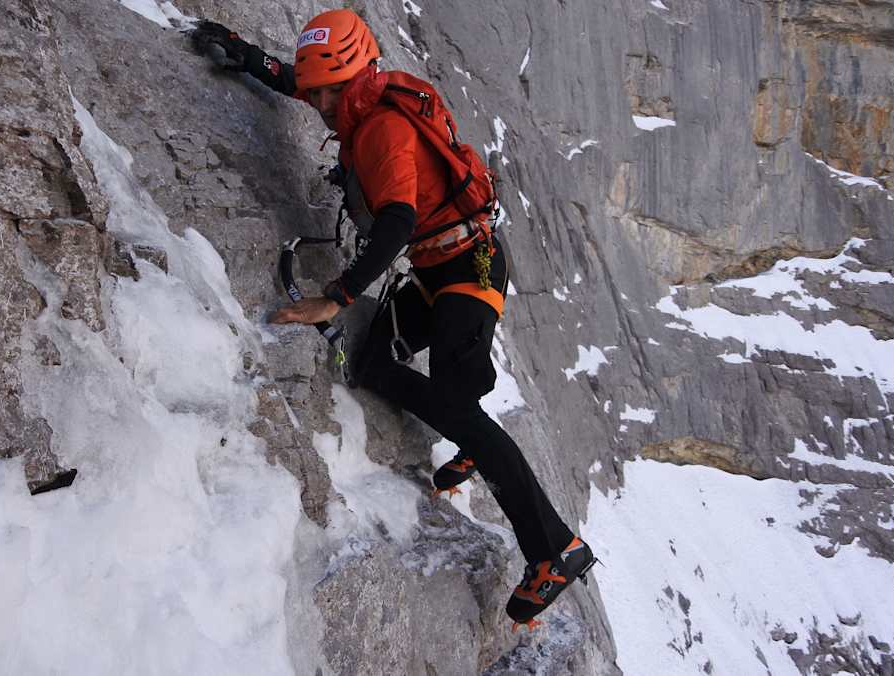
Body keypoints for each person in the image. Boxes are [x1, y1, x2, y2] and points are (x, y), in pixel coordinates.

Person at [190, 9, 595, 630]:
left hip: (470, 267)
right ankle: (469, 433)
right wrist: (247, 55)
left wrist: (337, 297)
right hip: (434, 270)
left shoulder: (381, 129)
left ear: (352, 79)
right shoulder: (360, 97)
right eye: (318, 93)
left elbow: (397, 222)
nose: (321, 105)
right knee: (375, 365)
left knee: (457, 408)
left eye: (328, 93)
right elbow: (298, 81)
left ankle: (555, 549)